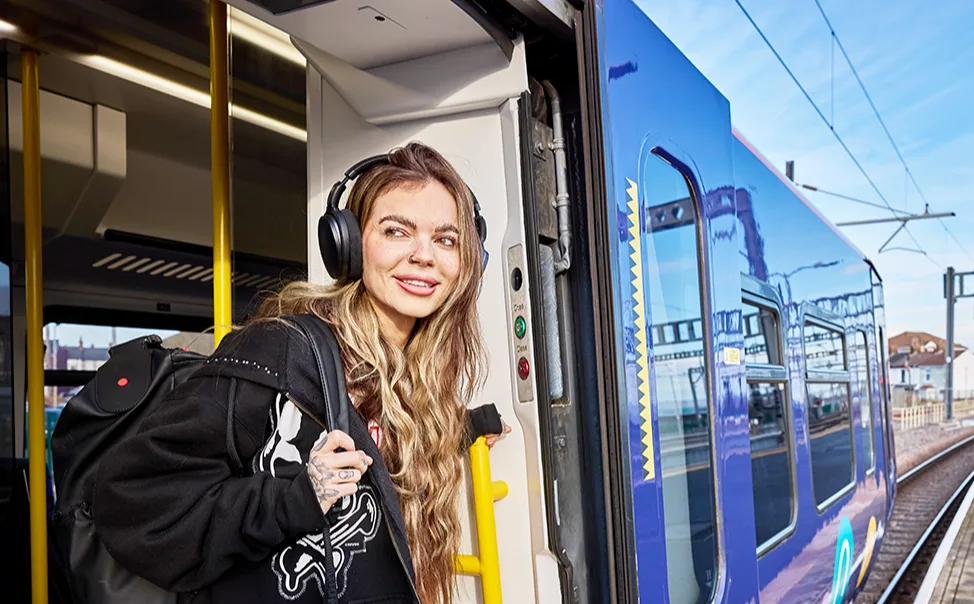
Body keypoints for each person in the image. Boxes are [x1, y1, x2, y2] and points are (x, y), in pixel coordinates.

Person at [93, 142, 509, 604]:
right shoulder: (282, 352)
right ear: (349, 245)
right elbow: (130, 498)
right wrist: (296, 500)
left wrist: (465, 424)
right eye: (397, 231)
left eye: (446, 239)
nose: (424, 255)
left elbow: (376, 441)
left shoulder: (416, 382)